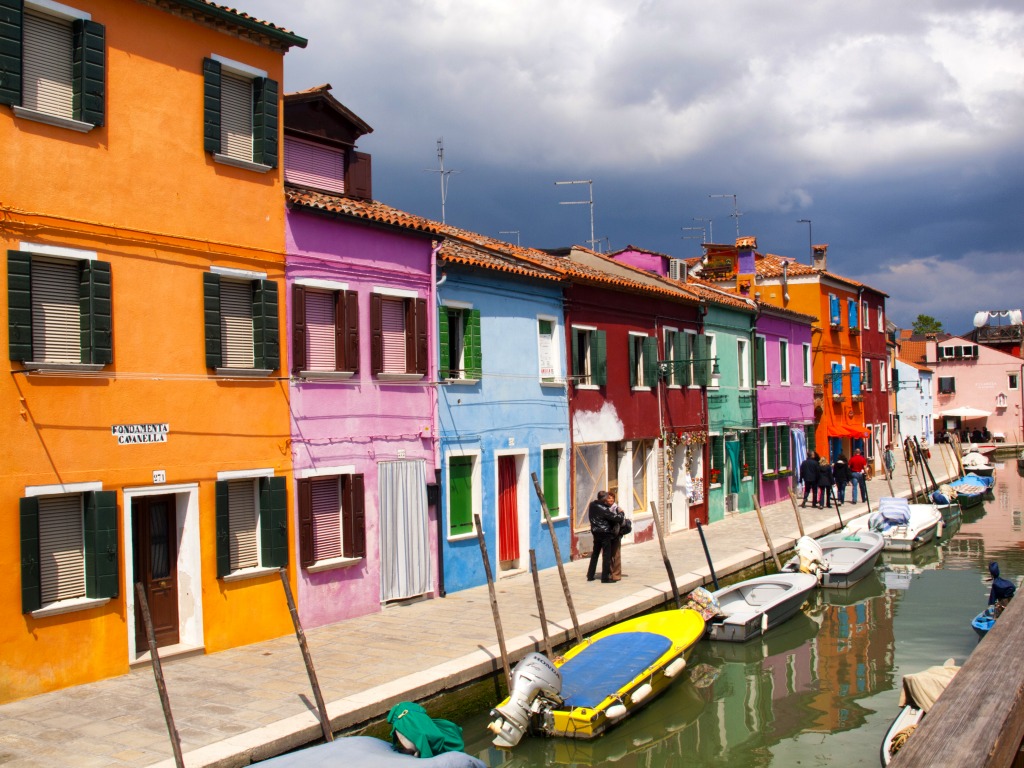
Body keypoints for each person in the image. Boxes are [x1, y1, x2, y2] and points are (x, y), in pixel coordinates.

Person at [586, 491, 623, 583]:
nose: (608, 500)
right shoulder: (603, 508)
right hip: (605, 533)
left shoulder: (592, 505)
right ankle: (605, 578)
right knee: (606, 555)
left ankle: (590, 575)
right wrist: (621, 513)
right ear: (603, 499)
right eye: (607, 498)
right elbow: (616, 518)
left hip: (596, 532)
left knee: (595, 554)